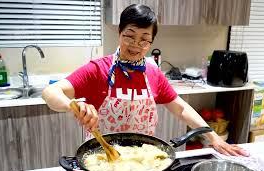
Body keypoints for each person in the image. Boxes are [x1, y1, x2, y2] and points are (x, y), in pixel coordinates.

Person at [42, 4, 248, 156]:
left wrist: (212, 137)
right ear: (119, 33)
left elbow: (181, 108)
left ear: (150, 43)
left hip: (143, 158)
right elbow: (50, 93)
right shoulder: (98, 69)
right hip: (102, 156)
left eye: (144, 40)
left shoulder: (153, 72)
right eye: (129, 36)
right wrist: (73, 105)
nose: (135, 45)